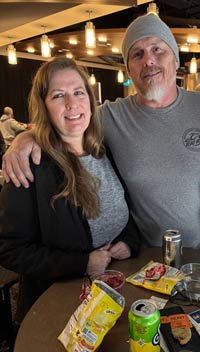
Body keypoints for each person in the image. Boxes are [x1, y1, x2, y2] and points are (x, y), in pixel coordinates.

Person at [1, 13, 200, 250]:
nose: (149, 61)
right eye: (137, 54)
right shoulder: (110, 116)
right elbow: (67, 123)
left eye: (158, 49)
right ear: (129, 68)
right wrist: (27, 138)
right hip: (143, 257)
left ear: (175, 58)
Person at [0, 58, 140, 321]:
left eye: (78, 92)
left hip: (108, 297)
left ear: (90, 100)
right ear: (44, 107)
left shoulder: (103, 151)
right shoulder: (31, 164)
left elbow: (122, 212)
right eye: (58, 96)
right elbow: (9, 249)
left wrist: (128, 242)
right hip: (56, 307)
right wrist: (82, 263)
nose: (71, 104)